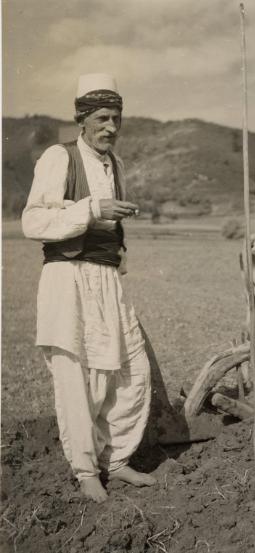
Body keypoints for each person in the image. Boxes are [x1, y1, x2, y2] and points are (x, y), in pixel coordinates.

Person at [22, 73, 157, 503]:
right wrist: (90, 209)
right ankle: (85, 470)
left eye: (116, 119)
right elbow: (33, 222)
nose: (111, 128)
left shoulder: (115, 164)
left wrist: (117, 247)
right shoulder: (58, 158)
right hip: (68, 278)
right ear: (82, 119)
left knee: (130, 372)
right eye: (102, 118)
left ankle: (115, 459)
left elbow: (108, 225)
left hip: (106, 278)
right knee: (76, 373)